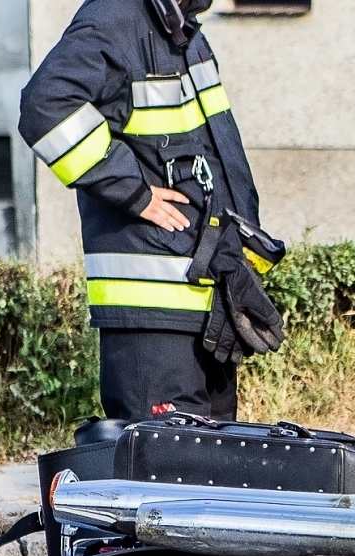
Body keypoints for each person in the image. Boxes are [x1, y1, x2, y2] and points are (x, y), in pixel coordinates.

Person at [20, 0, 277, 422]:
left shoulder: (183, 29)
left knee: (214, 471)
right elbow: (44, 105)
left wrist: (240, 261)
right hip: (152, 312)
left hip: (207, 298)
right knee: (166, 473)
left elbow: (217, 159)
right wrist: (135, 192)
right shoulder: (114, 16)